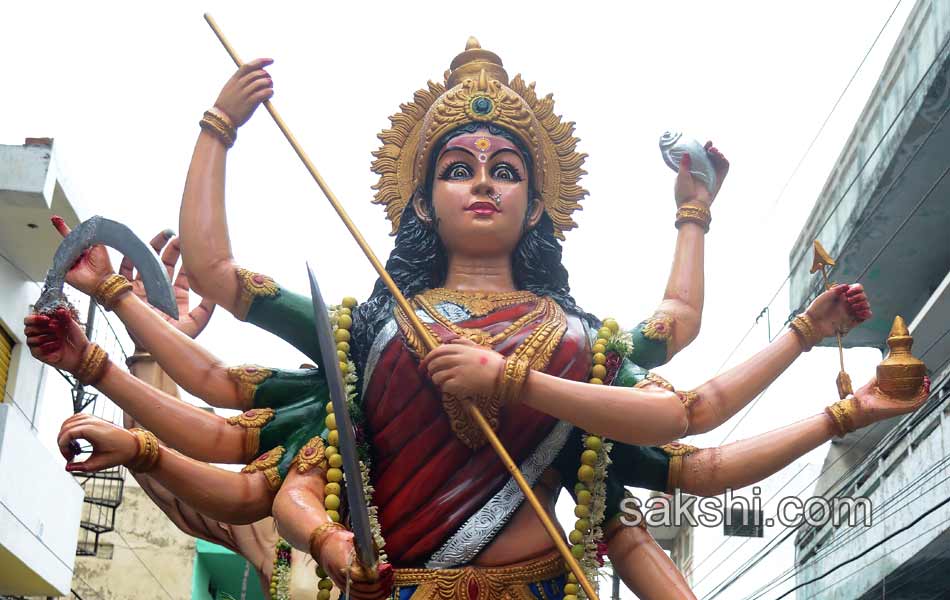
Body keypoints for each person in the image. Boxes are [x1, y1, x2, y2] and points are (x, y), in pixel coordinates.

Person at [25, 39, 929, 600]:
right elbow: (219, 328)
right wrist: (216, 130)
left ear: (538, 206)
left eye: (505, 169)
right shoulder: (369, 329)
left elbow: (696, 427)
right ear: (422, 201)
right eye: (458, 167)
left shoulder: (578, 341)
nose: (484, 180)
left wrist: (699, 221)